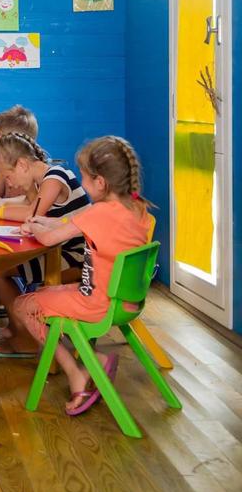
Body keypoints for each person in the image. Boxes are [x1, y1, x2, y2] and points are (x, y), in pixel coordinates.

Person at [14, 136, 152, 415]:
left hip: (97, 304)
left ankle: (78, 371)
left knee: (22, 305)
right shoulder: (136, 207)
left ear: (100, 182)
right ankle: (90, 362)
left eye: (85, 178)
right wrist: (46, 222)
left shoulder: (99, 212)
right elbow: (72, 224)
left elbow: (50, 239)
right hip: (125, 302)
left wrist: (34, 227)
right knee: (43, 295)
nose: (82, 183)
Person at [0, 133, 90, 356]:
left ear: (22, 164)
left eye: (8, 176)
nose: (8, 183)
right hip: (61, 250)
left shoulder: (54, 177)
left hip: (77, 258)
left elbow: (33, 214)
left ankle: (27, 336)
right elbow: (32, 210)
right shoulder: (41, 179)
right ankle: (19, 329)